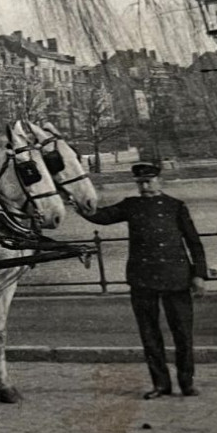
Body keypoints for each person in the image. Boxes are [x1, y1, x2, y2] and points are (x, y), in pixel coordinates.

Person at [81, 161, 208, 399]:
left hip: (176, 278)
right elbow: (101, 217)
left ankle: (186, 383)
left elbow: (194, 243)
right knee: (149, 335)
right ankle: (160, 384)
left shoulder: (176, 206)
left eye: (148, 181)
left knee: (182, 333)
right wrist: (79, 204)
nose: (144, 185)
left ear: (160, 181)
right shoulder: (131, 206)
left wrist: (199, 275)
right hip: (143, 279)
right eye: (140, 182)